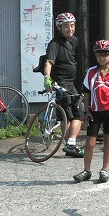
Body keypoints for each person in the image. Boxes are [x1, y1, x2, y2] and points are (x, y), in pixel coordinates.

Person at [73, 40, 109, 184]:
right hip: (94, 111)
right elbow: (87, 92)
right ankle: (87, 170)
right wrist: (86, 110)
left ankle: (104, 170)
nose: (102, 57)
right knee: (90, 142)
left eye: (105, 54)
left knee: (108, 140)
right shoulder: (91, 72)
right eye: (99, 54)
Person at [43, 12, 84, 157]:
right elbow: (49, 61)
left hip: (72, 82)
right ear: (59, 27)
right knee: (68, 114)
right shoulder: (54, 44)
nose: (70, 29)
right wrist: (47, 77)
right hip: (61, 82)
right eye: (66, 26)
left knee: (78, 112)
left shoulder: (74, 41)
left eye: (72, 25)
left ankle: (70, 144)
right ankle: (71, 144)